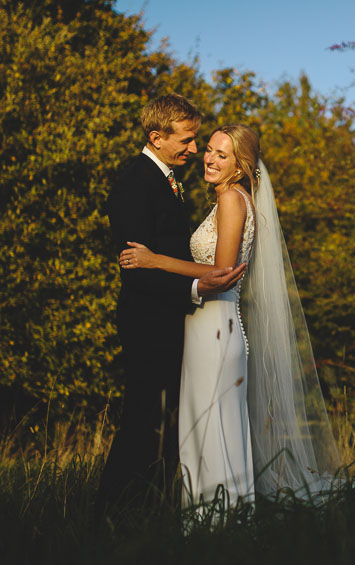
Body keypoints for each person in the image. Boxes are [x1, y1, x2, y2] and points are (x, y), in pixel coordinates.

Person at [119, 124, 340, 513]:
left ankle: (221, 520)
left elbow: (220, 271)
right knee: (203, 426)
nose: (208, 158)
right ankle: (211, 518)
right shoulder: (228, 199)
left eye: (223, 155)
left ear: (240, 166)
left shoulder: (233, 202)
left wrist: (155, 260)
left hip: (216, 326)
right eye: (208, 150)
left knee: (212, 425)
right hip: (208, 325)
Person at [99, 94, 246, 517]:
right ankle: (110, 515)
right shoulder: (134, 184)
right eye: (187, 140)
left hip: (171, 322)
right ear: (156, 137)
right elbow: (137, 269)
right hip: (147, 323)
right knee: (142, 422)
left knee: (166, 428)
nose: (194, 149)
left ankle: (160, 511)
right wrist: (198, 290)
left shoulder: (166, 179)